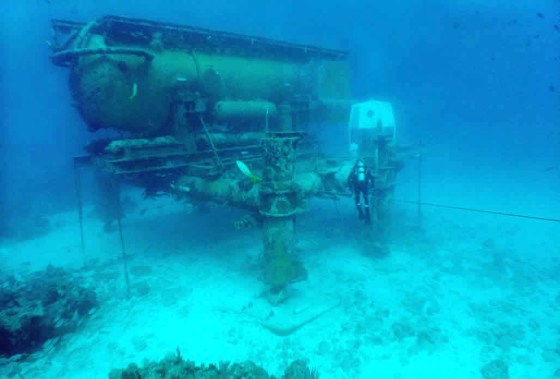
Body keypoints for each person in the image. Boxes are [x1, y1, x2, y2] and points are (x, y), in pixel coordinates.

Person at [347, 158, 375, 223]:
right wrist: (372, 187)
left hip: (356, 186)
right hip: (364, 187)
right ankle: (368, 216)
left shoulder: (354, 169)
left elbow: (349, 178)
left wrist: (350, 188)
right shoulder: (366, 168)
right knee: (366, 201)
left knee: (357, 201)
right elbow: (371, 178)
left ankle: (360, 214)